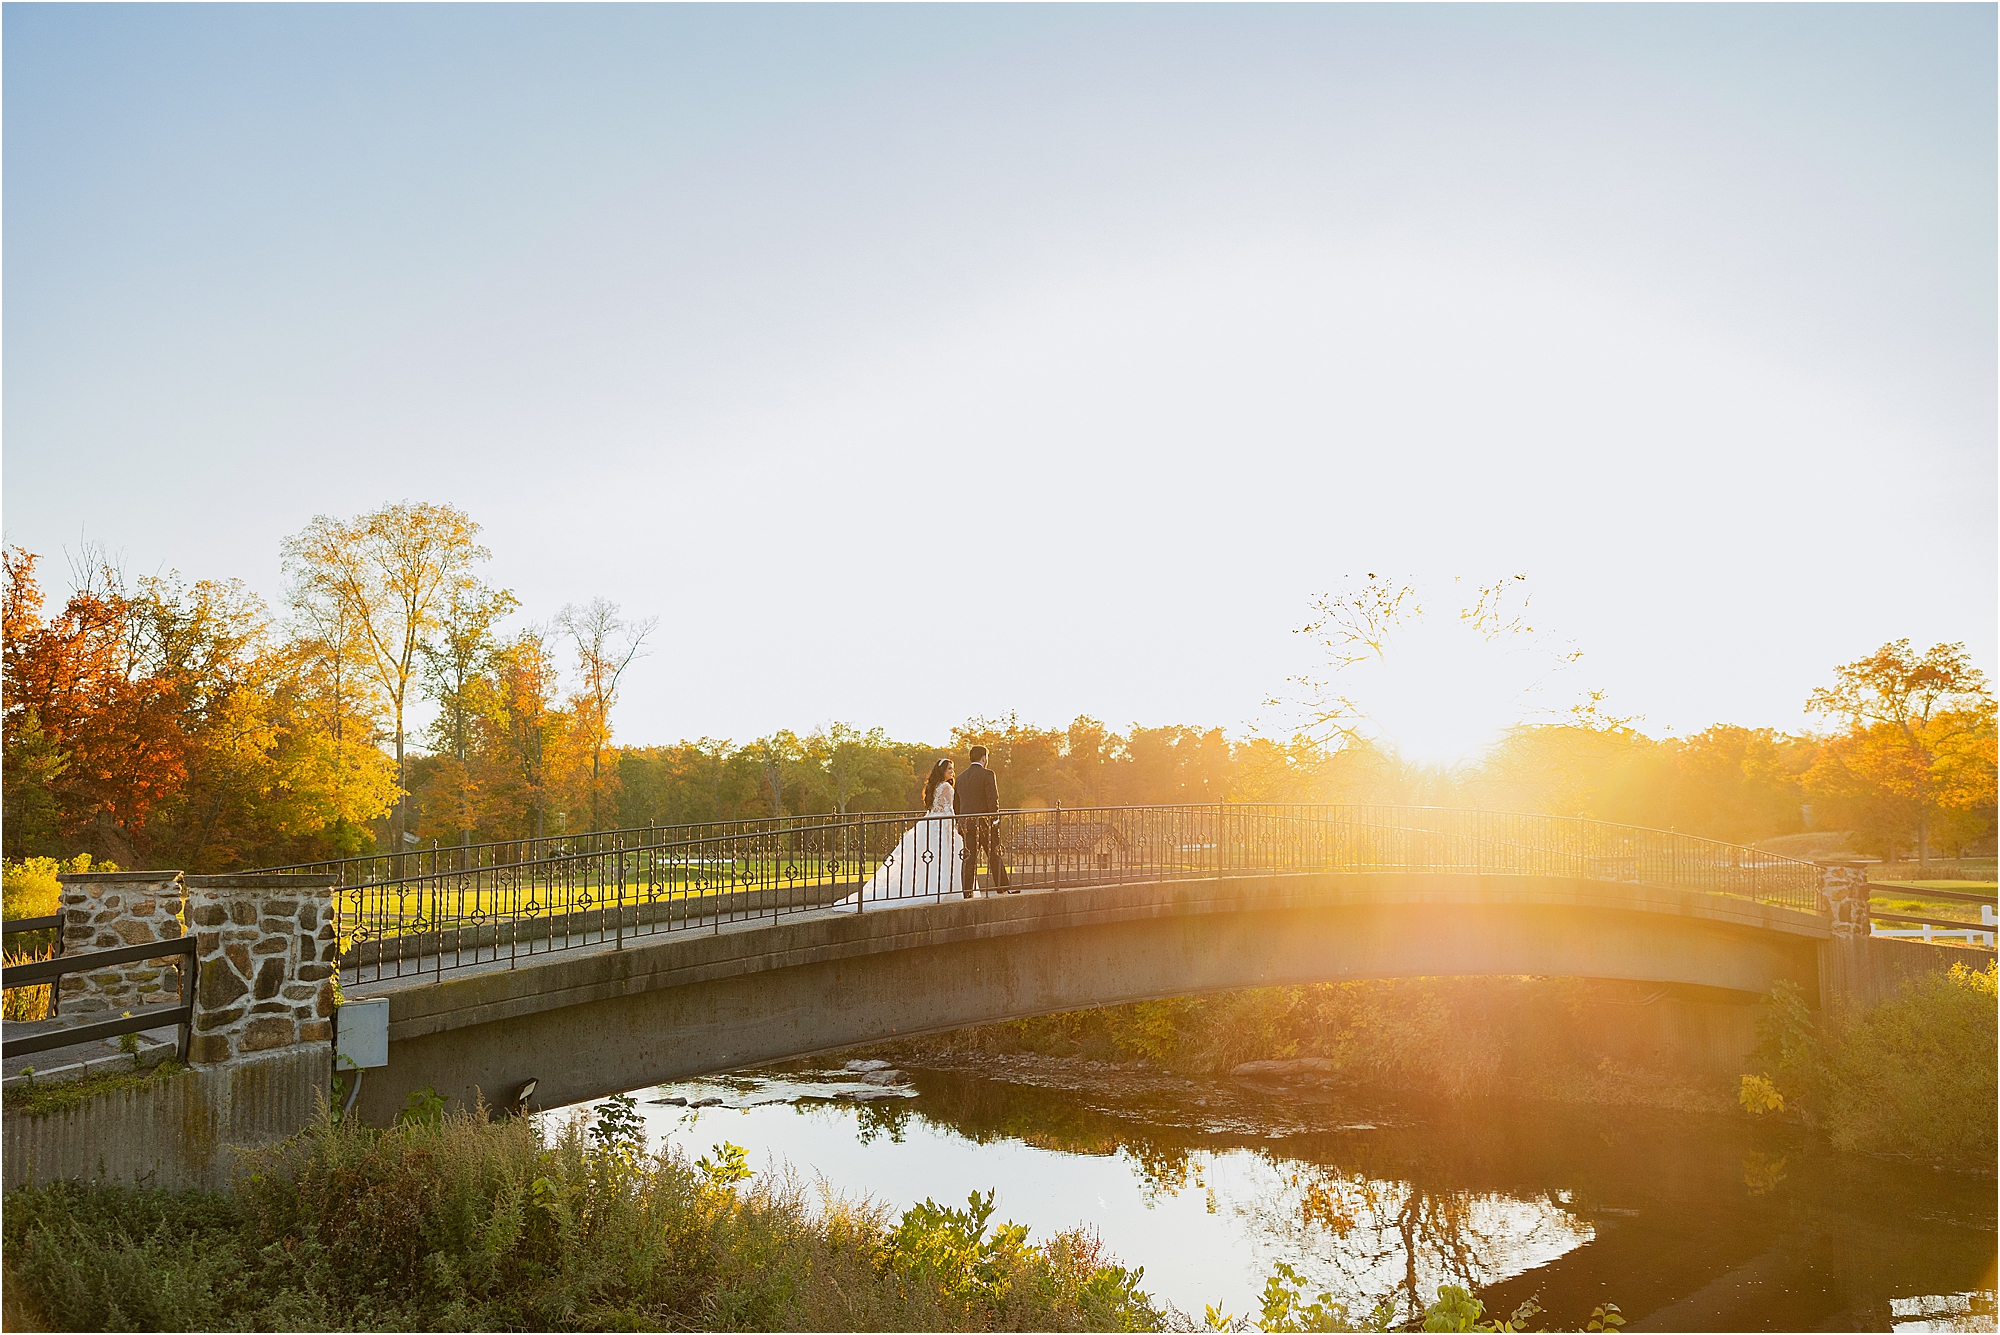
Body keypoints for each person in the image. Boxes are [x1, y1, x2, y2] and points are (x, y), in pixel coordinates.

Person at [846, 757, 963, 903]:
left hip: (930, 822)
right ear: (942, 771)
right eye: (949, 769)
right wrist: (955, 824)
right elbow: (948, 810)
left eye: (952, 769)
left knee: (928, 856)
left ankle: (928, 886)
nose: (952, 772)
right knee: (942, 855)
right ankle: (942, 888)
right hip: (942, 824)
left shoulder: (933, 786)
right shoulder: (946, 787)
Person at [954, 745, 1011, 895]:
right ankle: (1002, 887)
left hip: (966, 825)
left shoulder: (960, 778)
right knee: (994, 855)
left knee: (969, 859)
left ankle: (967, 891)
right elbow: (993, 799)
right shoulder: (988, 774)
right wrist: (995, 820)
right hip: (985, 823)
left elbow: (956, 805)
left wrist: (959, 822)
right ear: (984, 758)